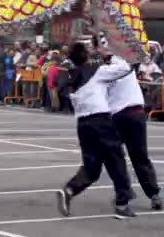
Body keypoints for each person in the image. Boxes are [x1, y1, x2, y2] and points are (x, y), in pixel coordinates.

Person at [57, 43, 135, 218]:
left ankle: (70, 189)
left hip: (83, 124)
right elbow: (125, 68)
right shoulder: (97, 71)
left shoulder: (73, 76)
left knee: (92, 166)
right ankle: (122, 203)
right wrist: (111, 54)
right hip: (100, 120)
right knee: (116, 160)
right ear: (86, 56)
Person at [105, 52, 162, 210]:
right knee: (139, 156)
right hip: (135, 114)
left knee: (115, 157)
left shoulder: (110, 66)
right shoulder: (122, 61)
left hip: (120, 115)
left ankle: (125, 194)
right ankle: (154, 194)